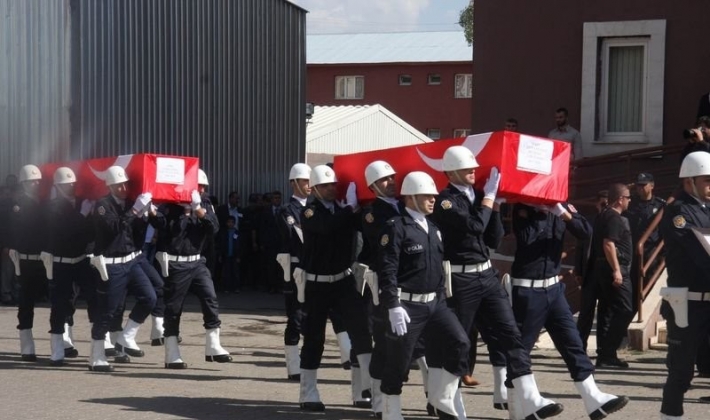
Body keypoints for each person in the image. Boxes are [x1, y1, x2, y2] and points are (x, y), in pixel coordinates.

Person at [429, 145, 563, 420]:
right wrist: (489, 199)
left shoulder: (478, 196)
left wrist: (497, 205)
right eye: (468, 169)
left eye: (474, 168)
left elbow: (492, 238)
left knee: (510, 333)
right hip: (461, 277)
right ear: (451, 172)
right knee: (459, 341)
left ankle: (531, 397)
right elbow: (474, 226)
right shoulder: (445, 201)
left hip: (487, 274)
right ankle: (445, 400)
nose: (473, 172)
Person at [510, 201, 629, 419]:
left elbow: (586, 232)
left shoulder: (561, 207)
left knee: (573, 343)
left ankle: (593, 398)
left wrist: (560, 211)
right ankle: (520, 406)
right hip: (528, 290)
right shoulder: (523, 208)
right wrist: (541, 212)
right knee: (520, 349)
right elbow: (527, 240)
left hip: (554, 290)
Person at [376, 171, 470, 420]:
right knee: (399, 362)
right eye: (427, 196)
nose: (433, 201)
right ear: (410, 198)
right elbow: (387, 269)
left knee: (461, 343)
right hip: (407, 306)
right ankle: (390, 411)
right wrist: (393, 305)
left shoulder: (434, 228)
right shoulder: (396, 228)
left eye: (434, 196)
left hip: (435, 303)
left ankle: (441, 397)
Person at [298, 165, 373, 412]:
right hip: (317, 284)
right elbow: (326, 226)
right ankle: (308, 392)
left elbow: (363, 228)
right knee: (314, 338)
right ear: (315, 189)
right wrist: (350, 209)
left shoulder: (344, 210)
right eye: (326, 185)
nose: (332, 188)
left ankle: (364, 389)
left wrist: (360, 208)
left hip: (343, 281)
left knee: (361, 333)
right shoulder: (309, 211)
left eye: (333, 185)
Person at [154, 173, 232, 369]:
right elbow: (172, 231)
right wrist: (185, 211)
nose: (203, 191)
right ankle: (172, 353)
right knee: (174, 308)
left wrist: (198, 210)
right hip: (176, 263)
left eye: (204, 187)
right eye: (199, 186)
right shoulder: (170, 205)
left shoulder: (204, 203)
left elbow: (213, 228)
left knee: (210, 297)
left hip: (197, 262)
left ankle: (213, 346)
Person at [656, 151, 710, 419]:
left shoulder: (707, 209)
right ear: (689, 181)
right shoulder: (678, 212)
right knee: (681, 372)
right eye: (707, 181)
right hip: (687, 304)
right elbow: (700, 254)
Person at [88, 166, 157, 372]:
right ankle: (96, 356)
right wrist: (135, 211)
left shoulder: (128, 204)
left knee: (149, 297)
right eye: (119, 185)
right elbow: (115, 228)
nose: (124, 188)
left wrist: (144, 215)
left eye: (126, 184)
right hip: (113, 265)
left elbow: (136, 233)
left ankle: (126, 337)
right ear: (110, 186)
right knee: (108, 311)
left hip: (131, 261)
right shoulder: (102, 205)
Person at [42, 167, 97, 365]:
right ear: (58, 186)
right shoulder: (52, 207)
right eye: (66, 184)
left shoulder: (83, 202)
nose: (71, 187)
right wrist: (81, 216)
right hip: (61, 263)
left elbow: (90, 232)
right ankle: (57, 349)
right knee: (60, 305)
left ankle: (100, 343)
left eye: (73, 183)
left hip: (81, 259)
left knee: (94, 297)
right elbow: (63, 232)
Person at [588, 183, 634, 368]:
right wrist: (616, 270)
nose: (630, 201)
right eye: (628, 197)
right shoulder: (614, 217)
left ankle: (606, 355)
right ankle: (607, 353)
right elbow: (609, 244)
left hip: (602, 269)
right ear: (621, 199)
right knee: (625, 310)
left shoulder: (603, 215)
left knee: (607, 311)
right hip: (614, 269)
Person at [8, 164, 47, 361]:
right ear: (24, 182)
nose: (36, 183)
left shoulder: (40, 201)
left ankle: (63, 339)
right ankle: (27, 345)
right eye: (33, 180)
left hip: (43, 259)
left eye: (38, 180)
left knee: (59, 297)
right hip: (26, 259)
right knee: (26, 302)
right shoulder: (19, 204)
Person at [623, 172, 666, 312]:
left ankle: (645, 310)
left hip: (650, 252)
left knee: (649, 281)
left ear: (652, 186)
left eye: (643, 185)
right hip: (632, 250)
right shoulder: (631, 203)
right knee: (632, 283)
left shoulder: (660, 205)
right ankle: (634, 311)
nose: (640, 188)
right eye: (638, 185)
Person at [577, 190, 609, 351]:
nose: (604, 207)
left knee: (605, 313)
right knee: (586, 312)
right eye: (602, 204)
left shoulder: (614, 221)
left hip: (606, 273)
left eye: (607, 204)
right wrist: (578, 271)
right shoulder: (589, 221)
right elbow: (580, 247)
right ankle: (579, 347)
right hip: (590, 272)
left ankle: (603, 349)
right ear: (597, 204)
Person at [218, 215, 240, 294]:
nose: (230, 224)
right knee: (226, 272)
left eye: (232, 222)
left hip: (234, 255)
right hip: (226, 254)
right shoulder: (224, 233)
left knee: (235, 272)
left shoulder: (237, 232)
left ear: (234, 223)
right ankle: (226, 287)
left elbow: (239, 245)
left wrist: (238, 256)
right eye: (229, 222)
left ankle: (236, 287)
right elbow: (221, 244)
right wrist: (220, 255)